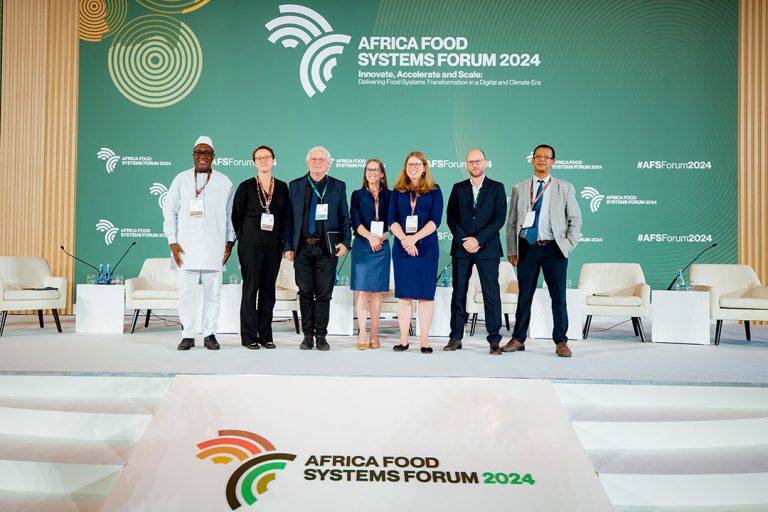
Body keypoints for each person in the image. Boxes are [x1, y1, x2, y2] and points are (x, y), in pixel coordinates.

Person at [505, 144, 581, 357]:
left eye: (547, 157)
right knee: (524, 296)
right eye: (538, 156)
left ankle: (561, 341)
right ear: (532, 160)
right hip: (527, 248)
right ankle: (518, 338)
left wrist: (567, 244)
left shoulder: (564, 187)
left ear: (553, 162)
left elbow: (575, 219)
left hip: (554, 249)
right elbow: (511, 222)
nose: (542, 160)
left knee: (558, 297)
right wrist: (512, 249)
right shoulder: (519, 187)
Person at [162, 135, 235, 351]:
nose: (202, 156)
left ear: (213, 156)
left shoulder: (224, 181)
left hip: (215, 247)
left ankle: (210, 334)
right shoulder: (181, 179)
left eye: (207, 152)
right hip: (185, 247)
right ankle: (188, 334)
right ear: (193, 155)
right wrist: (172, 241)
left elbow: (230, 214)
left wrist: (230, 241)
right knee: (186, 294)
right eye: (198, 152)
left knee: (213, 294)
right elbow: (169, 210)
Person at [285, 146, 351, 351]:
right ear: (307, 162)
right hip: (302, 248)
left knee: (324, 294)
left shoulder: (338, 186)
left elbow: (344, 217)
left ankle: (321, 336)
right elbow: (289, 219)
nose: (317, 162)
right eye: (314, 159)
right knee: (305, 293)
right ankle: (307, 336)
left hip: (327, 249)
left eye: (321, 159)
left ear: (328, 164)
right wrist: (287, 246)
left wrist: (346, 242)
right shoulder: (295, 185)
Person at [445, 148, 508, 355]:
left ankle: (494, 339)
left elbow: (499, 219)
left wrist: (478, 239)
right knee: (459, 293)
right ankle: (455, 337)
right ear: (466, 165)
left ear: (485, 163)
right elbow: (451, 218)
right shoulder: (458, 188)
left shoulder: (497, 187)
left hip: (487, 248)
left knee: (491, 294)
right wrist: (466, 240)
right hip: (462, 248)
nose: (475, 165)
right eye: (471, 161)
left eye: (478, 161)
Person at [232, 145, 289, 350]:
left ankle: (266, 335)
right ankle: (249, 336)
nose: (264, 160)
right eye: (259, 158)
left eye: (267, 157)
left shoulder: (282, 187)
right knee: (250, 290)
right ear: (254, 162)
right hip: (250, 246)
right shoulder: (245, 186)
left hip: (273, 246)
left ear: (274, 160)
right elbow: (236, 216)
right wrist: (244, 238)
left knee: (268, 291)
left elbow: (286, 218)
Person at [388, 151, 443, 354]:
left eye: (417, 164)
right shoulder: (397, 191)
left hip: (426, 248)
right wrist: (405, 240)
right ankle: (403, 340)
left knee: (425, 296)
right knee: (404, 296)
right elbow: (391, 220)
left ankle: (424, 341)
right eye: (410, 164)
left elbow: (435, 221)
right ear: (405, 167)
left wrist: (414, 238)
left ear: (424, 168)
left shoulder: (435, 190)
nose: (413, 168)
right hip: (402, 249)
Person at [349, 159, 391, 350]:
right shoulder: (357, 195)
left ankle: (374, 333)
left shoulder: (390, 195)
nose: (372, 172)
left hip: (382, 246)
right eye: (368, 169)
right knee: (363, 290)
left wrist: (380, 238)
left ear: (382, 174)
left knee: (376, 292)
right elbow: (355, 221)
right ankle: (362, 333)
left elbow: (394, 222)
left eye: (376, 169)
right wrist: (370, 238)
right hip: (362, 246)